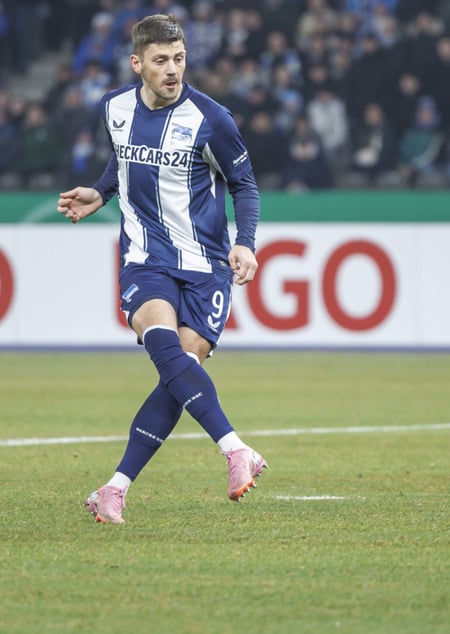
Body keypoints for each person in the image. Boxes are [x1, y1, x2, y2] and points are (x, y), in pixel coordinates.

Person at [56, 14, 268, 525]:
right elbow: (122, 161)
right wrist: (100, 192)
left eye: (179, 59)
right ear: (138, 63)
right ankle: (235, 449)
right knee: (163, 344)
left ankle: (113, 488)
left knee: (181, 373)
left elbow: (245, 185)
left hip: (206, 267)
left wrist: (245, 243)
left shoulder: (212, 118)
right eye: (161, 61)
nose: (172, 70)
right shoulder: (114, 108)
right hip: (144, 259)